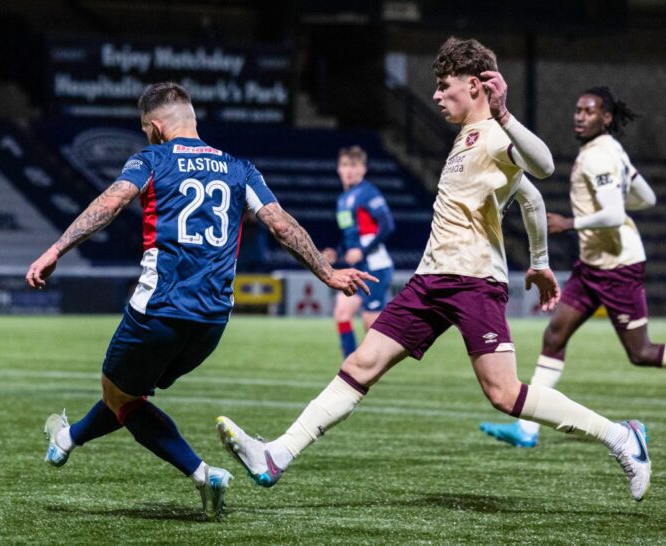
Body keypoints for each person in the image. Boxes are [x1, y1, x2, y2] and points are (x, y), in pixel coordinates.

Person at [215, 38, 652, 502]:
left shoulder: (499, 133)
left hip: (473, 281)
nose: (438, 96)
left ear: (476, 85)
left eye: (445, 87)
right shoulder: (466, 138)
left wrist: (504, 114)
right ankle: (276, 455)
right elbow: (531, 199)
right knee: (361, 363)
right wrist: (540, 262)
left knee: (503, 394)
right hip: (430, 280)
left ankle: (621, 436)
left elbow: (543, 170)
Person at [29, 82, 375, 520]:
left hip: (159, 310)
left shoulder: (151, 159)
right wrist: (327, 272)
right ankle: (66, 439)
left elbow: (111, 202)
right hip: (211, 322)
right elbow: (281, 225)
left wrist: (56, 249)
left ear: (156, 127)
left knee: (122, 398)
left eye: (147, 130)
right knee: (130, 392)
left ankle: (203, 474)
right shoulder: (239, 168)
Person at [481, 87, 659, 448]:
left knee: (641, 353)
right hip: (592, 265)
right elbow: (646, 198)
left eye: (589, 111)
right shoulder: (609, 150)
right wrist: (615, 206)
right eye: (577, 110)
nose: (580, 116)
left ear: (606, 118)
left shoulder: (600, 157)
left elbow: (612, 215)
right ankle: (527, 431)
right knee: (554, 336)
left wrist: (569, 224)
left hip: (618, 266)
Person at [322, 146, 395, 357]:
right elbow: (349, 237)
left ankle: (376, 364)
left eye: (354, 166)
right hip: (357, 267)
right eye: (345, 165)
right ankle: (350, 362)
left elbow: (388, 225)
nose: (349, 171)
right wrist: (336, 252)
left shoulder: (367, 192)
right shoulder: (342, 200)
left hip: (375, 267)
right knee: (341, 313)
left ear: (363, 169)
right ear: (338, 169)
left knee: (370, 323)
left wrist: (362, 251)